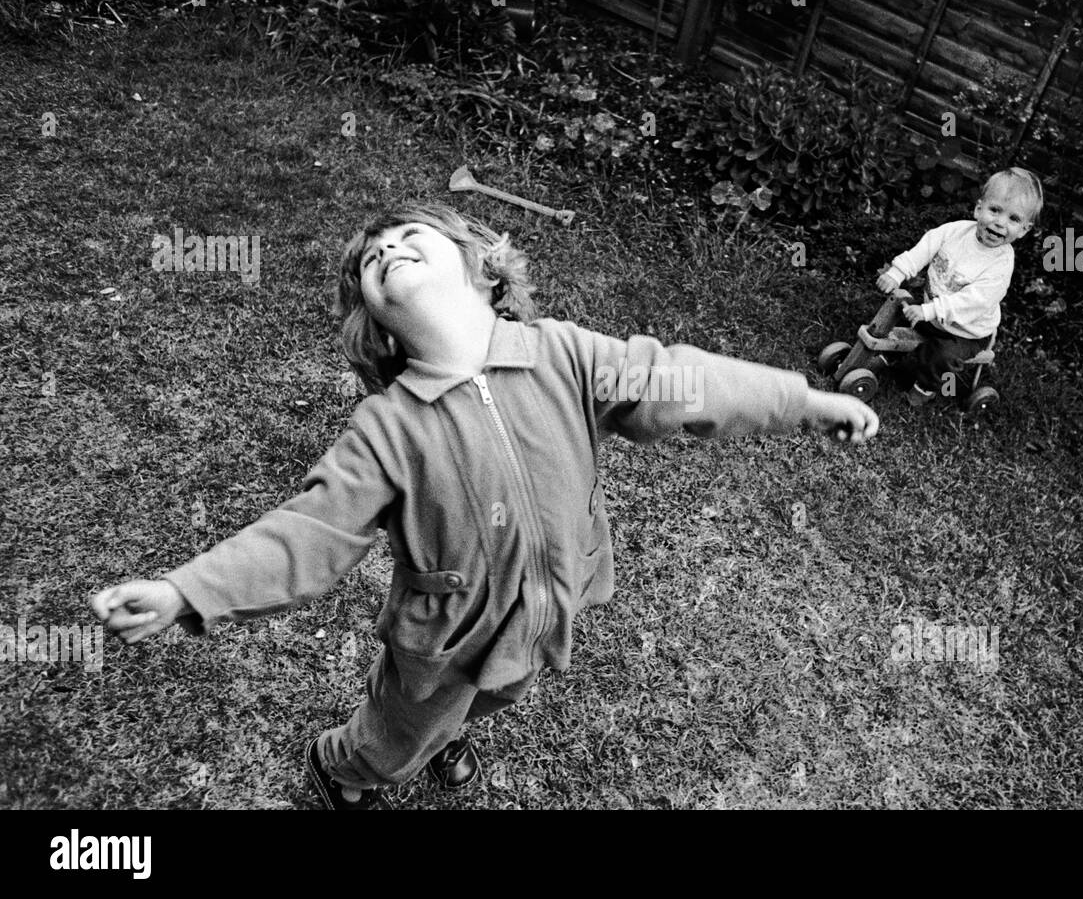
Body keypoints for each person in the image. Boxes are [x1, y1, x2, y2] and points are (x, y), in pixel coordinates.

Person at [90, 203, 878, 810]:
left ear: (481, 268)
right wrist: (184, 590)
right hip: (444, 641)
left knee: (500, 696)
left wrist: (802, 400)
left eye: (408, 237)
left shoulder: (565, 353)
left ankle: (446, 734)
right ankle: (342, 765)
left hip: (546, 607)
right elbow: (306, 532)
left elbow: (682, 379)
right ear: (376, 322)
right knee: (401, 733)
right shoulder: (387, 427)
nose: (386, 249)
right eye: (372, 260)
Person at [874, 168, 1043, 405]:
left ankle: (923, 389)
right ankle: (886, 356)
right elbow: (924, 249)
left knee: (942, 357)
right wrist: (898, 272)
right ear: (979, 208)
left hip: (966, 332)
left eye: (1014, 219)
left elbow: (974, 301)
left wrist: (930, 310)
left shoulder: (1000, 265)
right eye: (995, 210)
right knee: (901, 314)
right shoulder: (954, 231)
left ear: (1024, 229)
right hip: (933, 312)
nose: (1000, 223)